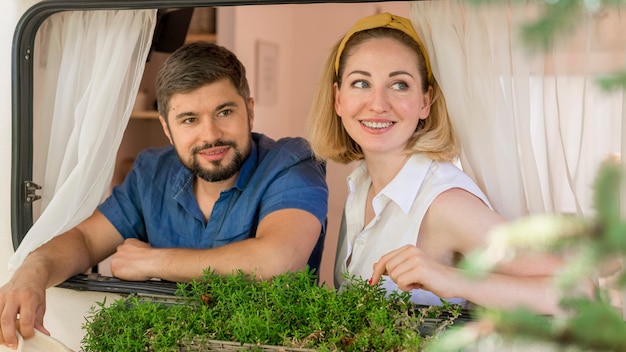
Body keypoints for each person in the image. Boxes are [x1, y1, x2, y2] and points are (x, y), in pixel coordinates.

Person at [0, 41, 328, 349]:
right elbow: (86, 240)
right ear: (167, 128)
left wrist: (155, 261)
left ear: (250, 111)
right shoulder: (152, 172)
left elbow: (277, 260)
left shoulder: (292, 163)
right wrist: (33, 271)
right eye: (189, 120)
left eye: (225, 112)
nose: (210, 134)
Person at [308, 12, 567, 315]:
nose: (378, 104)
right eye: (361, 83)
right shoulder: (360, 185)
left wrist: (454, 279)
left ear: (424, 102)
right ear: (338, 99)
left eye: (400, 85)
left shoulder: (445, 202)